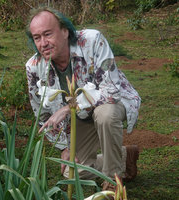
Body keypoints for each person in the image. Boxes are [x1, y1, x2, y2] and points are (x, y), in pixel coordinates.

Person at [25, 7, 141, 190]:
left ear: (65, 31)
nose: (43, 43)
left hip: (111, 103)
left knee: (105, 115)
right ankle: (125, 156)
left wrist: (67, 108)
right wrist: (64, 147)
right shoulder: (34, 67)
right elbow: (43, 114)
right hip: (79, 117)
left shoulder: (93, 40)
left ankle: (113, 183)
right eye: (37, 38)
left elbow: (110, 91)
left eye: (48, 34)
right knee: (74, 172)